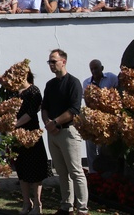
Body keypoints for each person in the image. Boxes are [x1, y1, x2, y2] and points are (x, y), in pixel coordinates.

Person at [42, 49, 88, 214]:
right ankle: (66, 206)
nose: (51, 65)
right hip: (53, 133)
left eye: (54, 61)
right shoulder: (50, 84)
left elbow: (74, 109)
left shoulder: (73, 83)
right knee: (61, 172)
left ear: (63, 61)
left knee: (76, 171)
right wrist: (47, 122)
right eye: (49, 62)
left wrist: (55, 122)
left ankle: (82, 209)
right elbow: (44, 107)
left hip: (68, 132)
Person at [14, 69, 48, 215]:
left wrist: (14, 124)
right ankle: (26, 202)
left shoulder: (34, 91)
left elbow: (30, 113)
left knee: (35, 170)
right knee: (21, 170)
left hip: (31, 134)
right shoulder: (13, 92)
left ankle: (38, 204)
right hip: (16, 136)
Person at [82, 60, 118, 174]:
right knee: (91, 145)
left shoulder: (111, 78)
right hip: (94, 118)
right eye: (91, 69)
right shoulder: (87, 83)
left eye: (96, 68)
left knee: (105, 147)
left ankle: (109, 173)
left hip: (109, 118)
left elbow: (118, 95)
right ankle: (93, 174)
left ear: (102, 68)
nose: (94, 71)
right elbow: (87, 102)